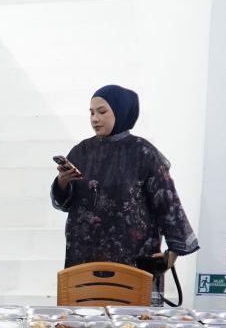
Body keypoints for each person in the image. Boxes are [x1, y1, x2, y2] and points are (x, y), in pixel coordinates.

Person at [50, 84, 199, 269]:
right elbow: (63, 204)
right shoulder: (81, 152)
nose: (95, 119)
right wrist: (62, 182)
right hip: (83, 257)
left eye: (102, 112)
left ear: (121, 111)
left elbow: (168, 203)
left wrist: (172, 254)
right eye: (92, 113)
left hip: (132, 259)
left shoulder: (143, 153)